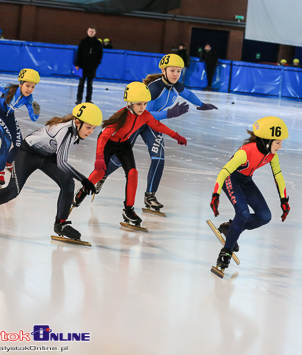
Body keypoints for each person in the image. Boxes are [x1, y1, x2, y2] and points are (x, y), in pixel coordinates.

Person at [88, 54, 217, 212]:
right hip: (137, 121)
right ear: (163, 70)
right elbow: (145, 115)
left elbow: (187, 94)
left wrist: (201, 105)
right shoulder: (155, 88)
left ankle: (150, 196)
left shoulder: (176, 86)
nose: (176, 74)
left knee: (159, 158)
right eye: (172, 70)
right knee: (120, 159)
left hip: (152, 126)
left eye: (178, 71)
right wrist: (169, 114)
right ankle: (103, 175)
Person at [0, 103, 102, 242]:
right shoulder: (65, 130)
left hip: (47, 156)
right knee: (12, 191)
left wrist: (81, 180)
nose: (90, 132)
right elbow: (62, 163)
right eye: (88, 127)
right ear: (77, 121)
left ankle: (61, 224)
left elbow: (59, 159)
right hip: (28, 154)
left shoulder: (74, 128)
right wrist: (84, 180)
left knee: (68, 182)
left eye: (93, 128)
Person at [72, 82, 187, 228]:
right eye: (139, 104)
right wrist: (100, 157)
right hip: (109, 143)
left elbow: (158, 126)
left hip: (123, 144)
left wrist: (176, 136)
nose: (143, 107)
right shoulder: (120, 117)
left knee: (133, 173)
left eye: (145, 103)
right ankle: (83, 190)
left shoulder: (145, 115)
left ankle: (128, 210)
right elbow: (102, 137)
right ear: (130, 103)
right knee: (100, 172)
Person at [209, 116, 290, 277]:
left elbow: (278, 176)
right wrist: (215, 194)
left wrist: (284, 200)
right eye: (278, 142)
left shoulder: (271, 155)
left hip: (246, 181)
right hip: (231, 179)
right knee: (243, 213)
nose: (280, 147)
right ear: (267, 141)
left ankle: (230, 228)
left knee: (265, 216)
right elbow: (224, 172)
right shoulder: (246, 152)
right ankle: (226, 252)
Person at [74, 26, 103, 104]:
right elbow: (79, 53)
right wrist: (77, 64)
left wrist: (97, 64)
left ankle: (88, 100)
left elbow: (100, 55)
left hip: (92, 67)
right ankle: (79, 99)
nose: (91, 33)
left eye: (92, 31)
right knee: (81, 83)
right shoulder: (83, 42)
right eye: (90, 31)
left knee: (89, 84)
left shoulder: (97, 43)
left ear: (95, 32)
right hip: (82, 66)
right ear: (87, 32)